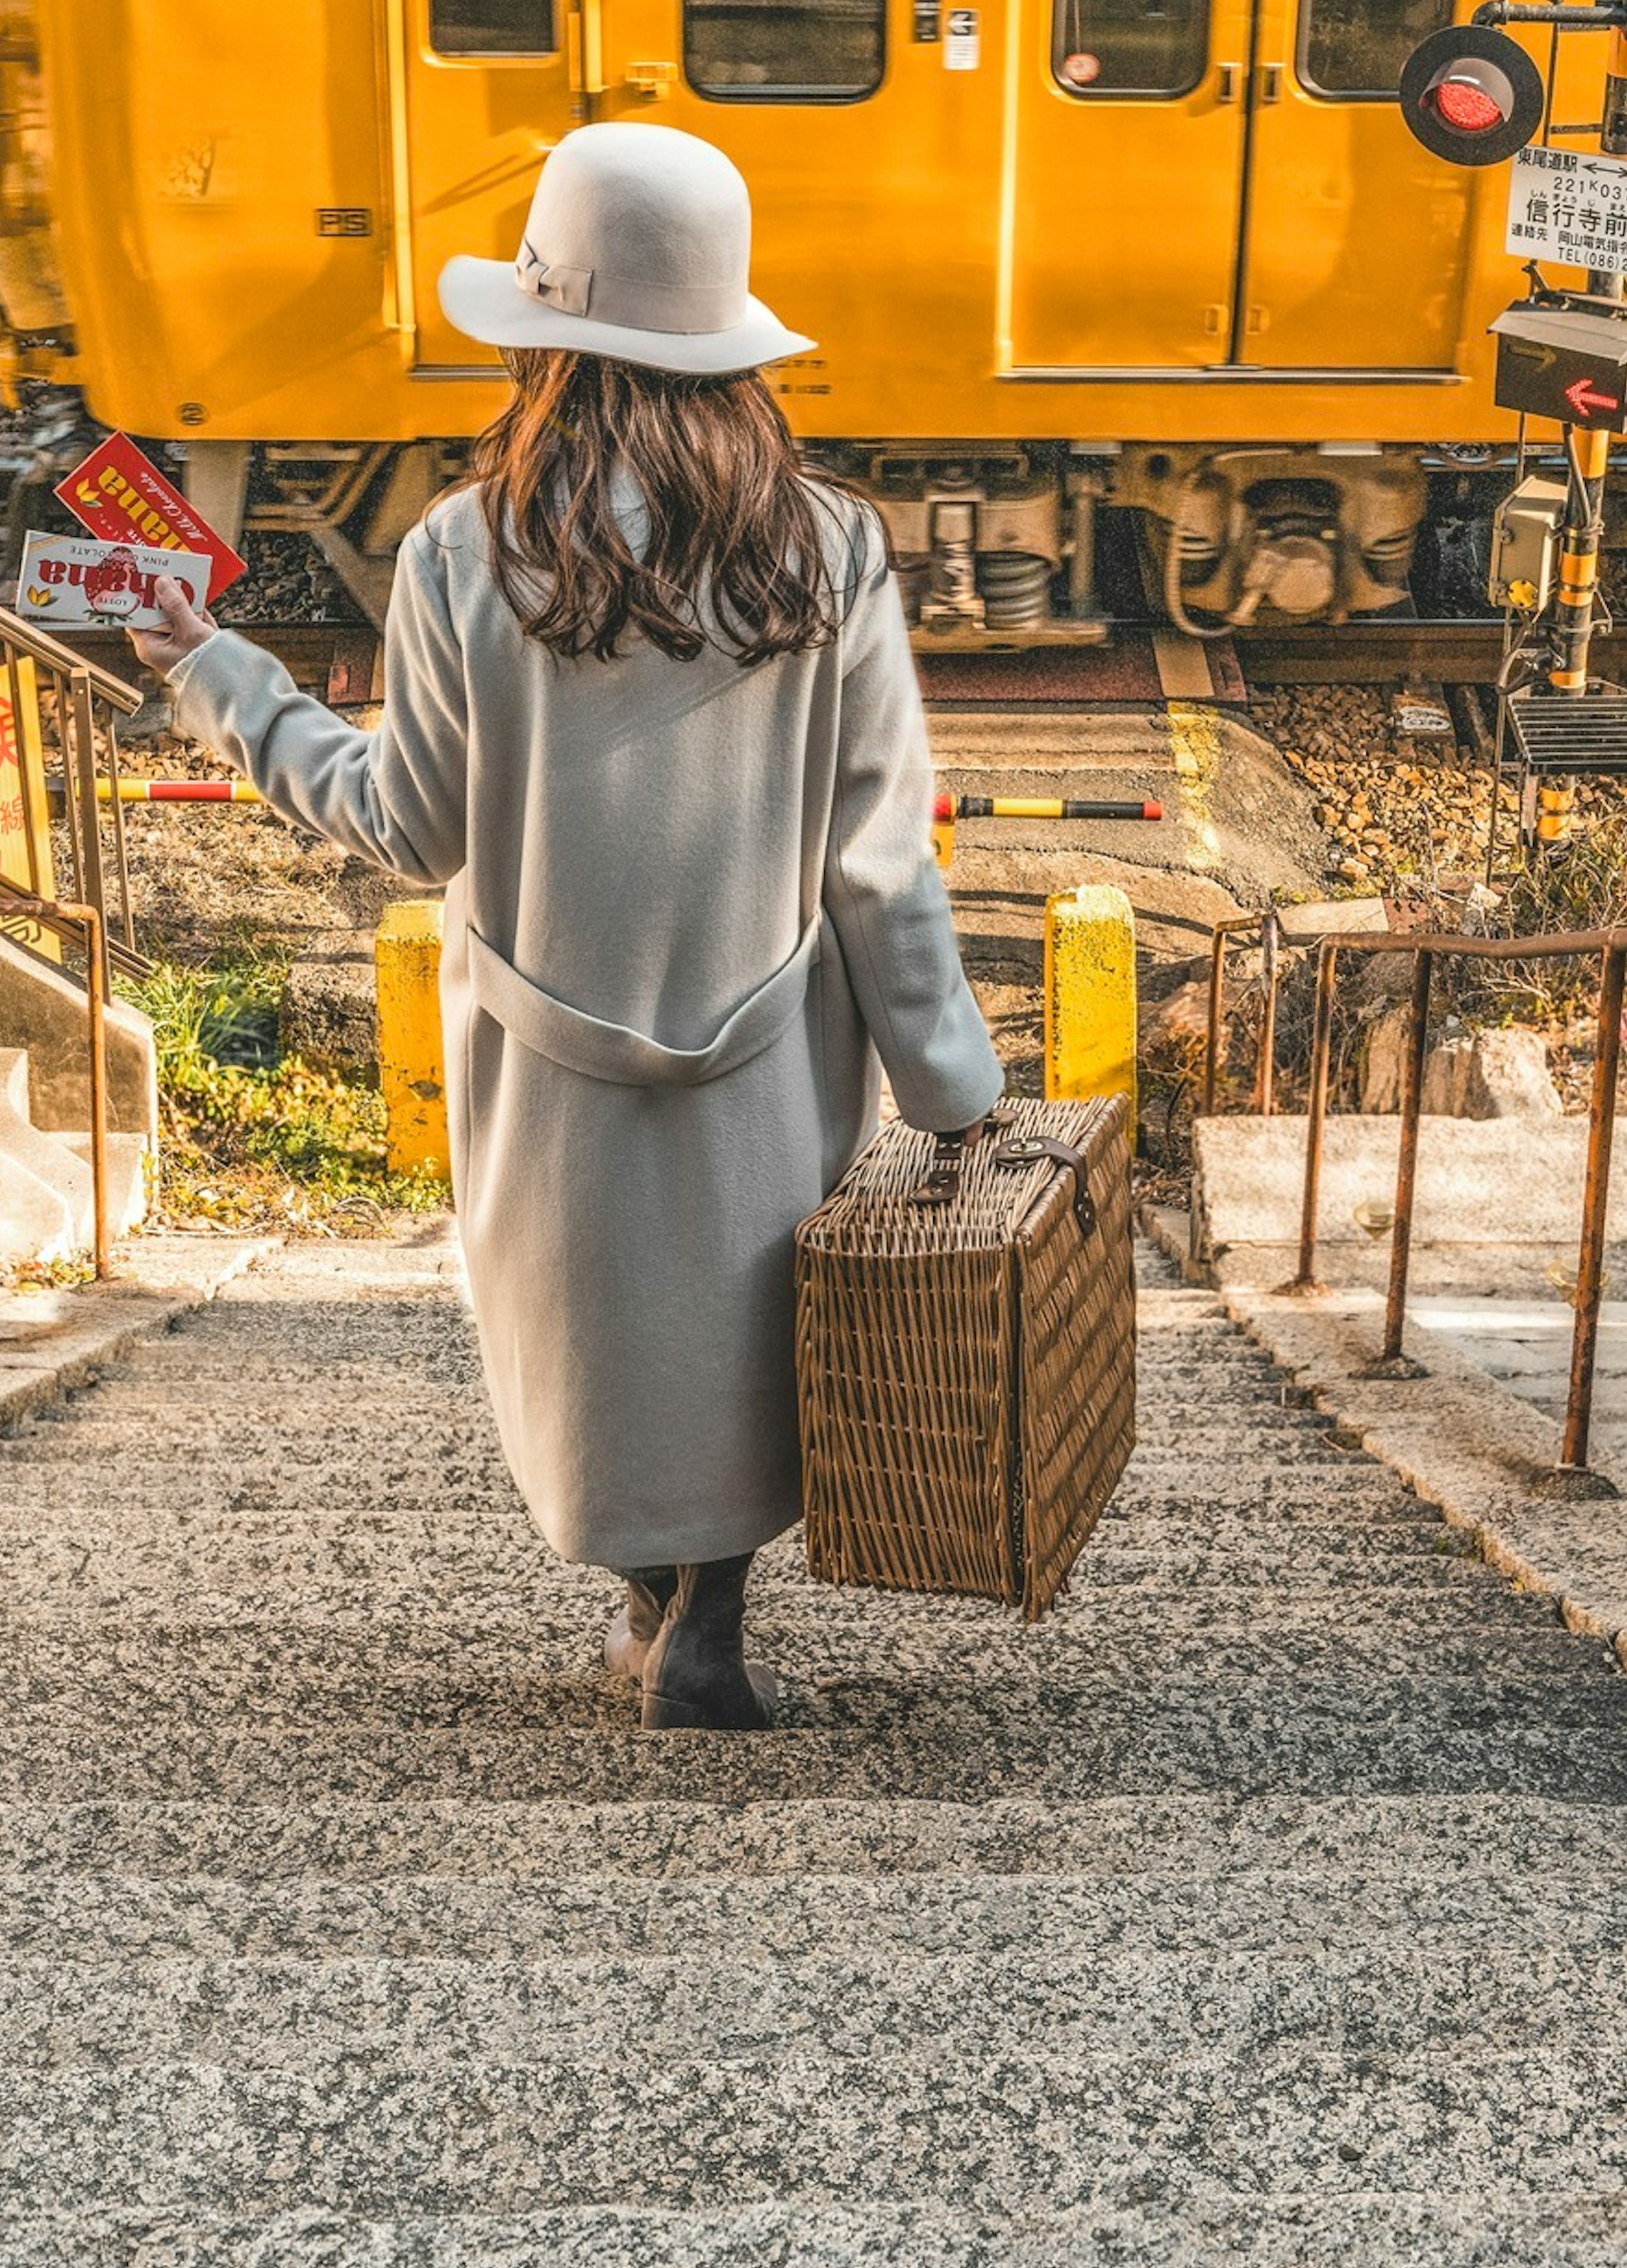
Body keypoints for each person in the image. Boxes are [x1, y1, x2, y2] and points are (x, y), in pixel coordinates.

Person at [128, 124, 1003, 1732]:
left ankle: (643, 1606)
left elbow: (405, 824)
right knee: (745, 1323)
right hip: (763, 1047)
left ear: (551, 346)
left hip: (545, 1054)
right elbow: (882, 862)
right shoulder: (831, 549)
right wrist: (956, 1093)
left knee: (608, 1331)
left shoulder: (467, 550)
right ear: (732, 348)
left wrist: (220, 670)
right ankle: (711, 1626)